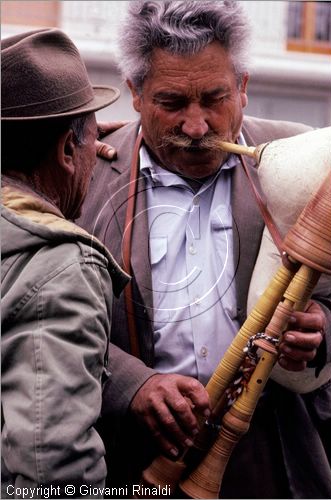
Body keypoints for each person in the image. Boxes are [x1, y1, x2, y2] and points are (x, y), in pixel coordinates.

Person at [78, 1, 331, 498]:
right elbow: (45, 327)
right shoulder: (84, 178)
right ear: (134, 93)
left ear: (243, 84)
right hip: (138, 465)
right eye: (172, 102)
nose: (197, 127)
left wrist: (323, 331)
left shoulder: (304, 161)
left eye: (215, 98)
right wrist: (133, 385)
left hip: (278, 458)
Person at [1, 28, 131, 497]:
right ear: (65, 151)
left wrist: (76, 144)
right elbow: (55, 470)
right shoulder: (62, 268)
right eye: (89, 138)